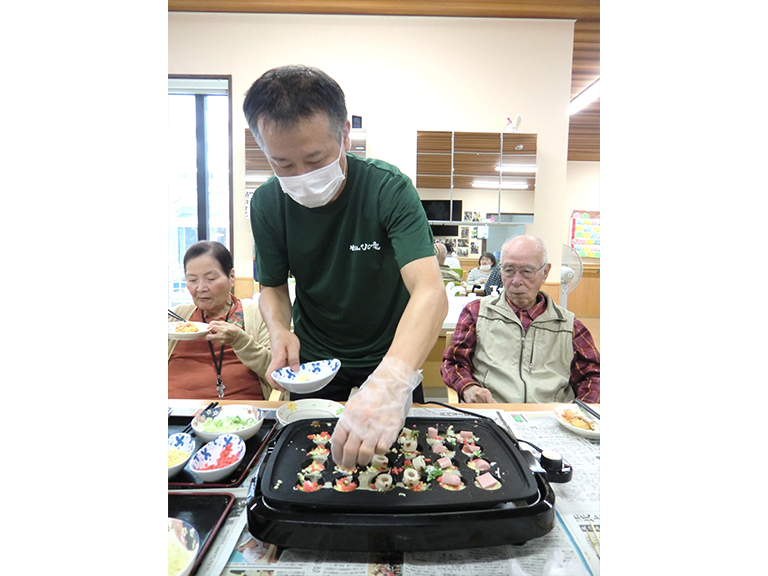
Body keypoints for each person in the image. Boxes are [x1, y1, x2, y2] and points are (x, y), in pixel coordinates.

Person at [243, 65, 448, 470]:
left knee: (406, 465)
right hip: (314, 360)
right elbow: (273, 287)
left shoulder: (387, 188)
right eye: (283, 164)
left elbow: (430, 291)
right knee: (310, 464)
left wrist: (391, 383)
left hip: (392, 352)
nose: (302, 177)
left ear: (345, 135)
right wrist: (280, 330)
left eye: (315, 158)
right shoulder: (267, 203)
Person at [441, 235, 599, 404]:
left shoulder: (568, 325)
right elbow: (454, 362)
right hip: (493, 411)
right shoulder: (476, 312)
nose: (516, 281)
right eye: (508, 270)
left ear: (545, 272)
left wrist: (577, 412)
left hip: (550, 414)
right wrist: (468, 388)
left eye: (527, 271)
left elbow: (593, 376)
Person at [168, 241, 272, 400]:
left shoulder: (257, 314)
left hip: (239, 411)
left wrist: (240, 341)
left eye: (210, 279)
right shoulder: (176, 318)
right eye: (192, 280)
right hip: (174, 411)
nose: (201, 288)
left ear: (231, 277)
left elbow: (277, 370)